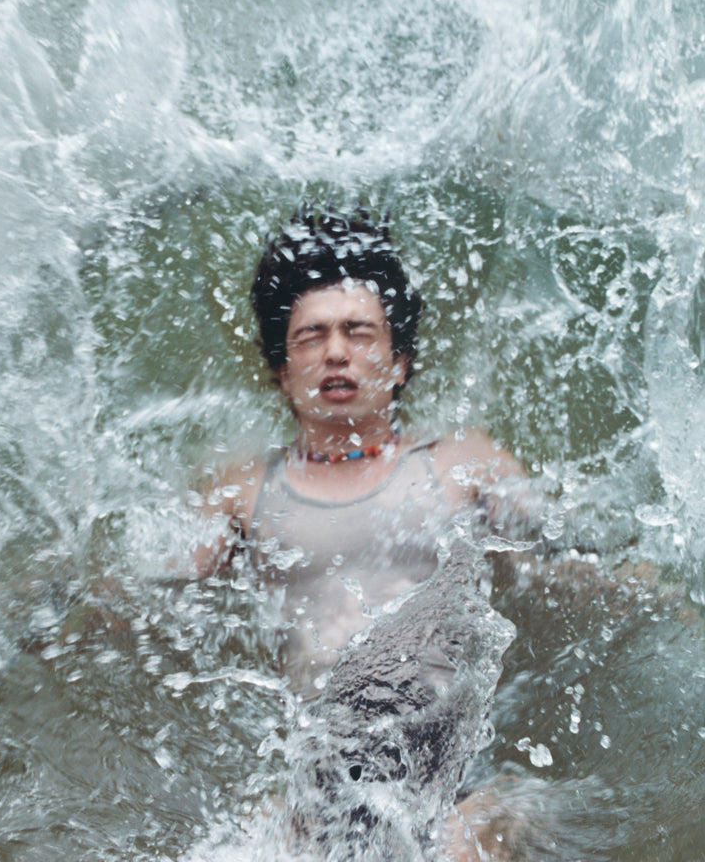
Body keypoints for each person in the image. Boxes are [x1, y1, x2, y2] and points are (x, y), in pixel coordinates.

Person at [192, 206, 539, 858]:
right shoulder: (241, 492)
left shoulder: (460, 466)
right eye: (310, 337)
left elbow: (562, 551)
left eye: (358, 332)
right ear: (281, 371)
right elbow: (145, 585)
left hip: (456, 773)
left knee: (469, 840)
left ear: (399, 361)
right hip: (315, 775)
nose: (334, 352)